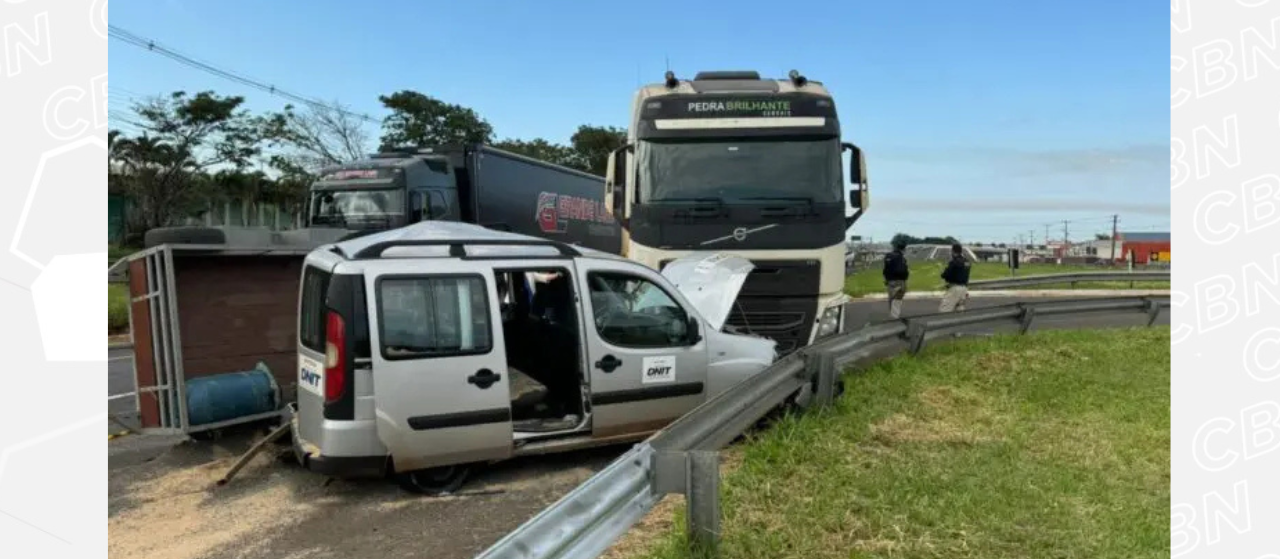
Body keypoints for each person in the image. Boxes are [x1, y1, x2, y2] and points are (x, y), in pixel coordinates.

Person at [939, 243, 971, 313]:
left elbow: (946, 274)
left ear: (953, 251)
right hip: (964, 288)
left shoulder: (954, 262)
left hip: (955, 288)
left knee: (944, 309)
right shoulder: (967, 262)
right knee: (960, 309)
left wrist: (943, 273)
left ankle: (944, 323)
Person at [882, 240, 910, 319]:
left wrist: (886, 279)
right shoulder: (901, 258)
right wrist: (905, 277)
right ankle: (894, 318)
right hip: (899, 281)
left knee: (891, 299)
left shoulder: (888, 255)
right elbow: (902, 271)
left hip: (889, 281)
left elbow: (885, 270)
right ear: (903, 249)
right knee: (897, 301)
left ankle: (892, 316)